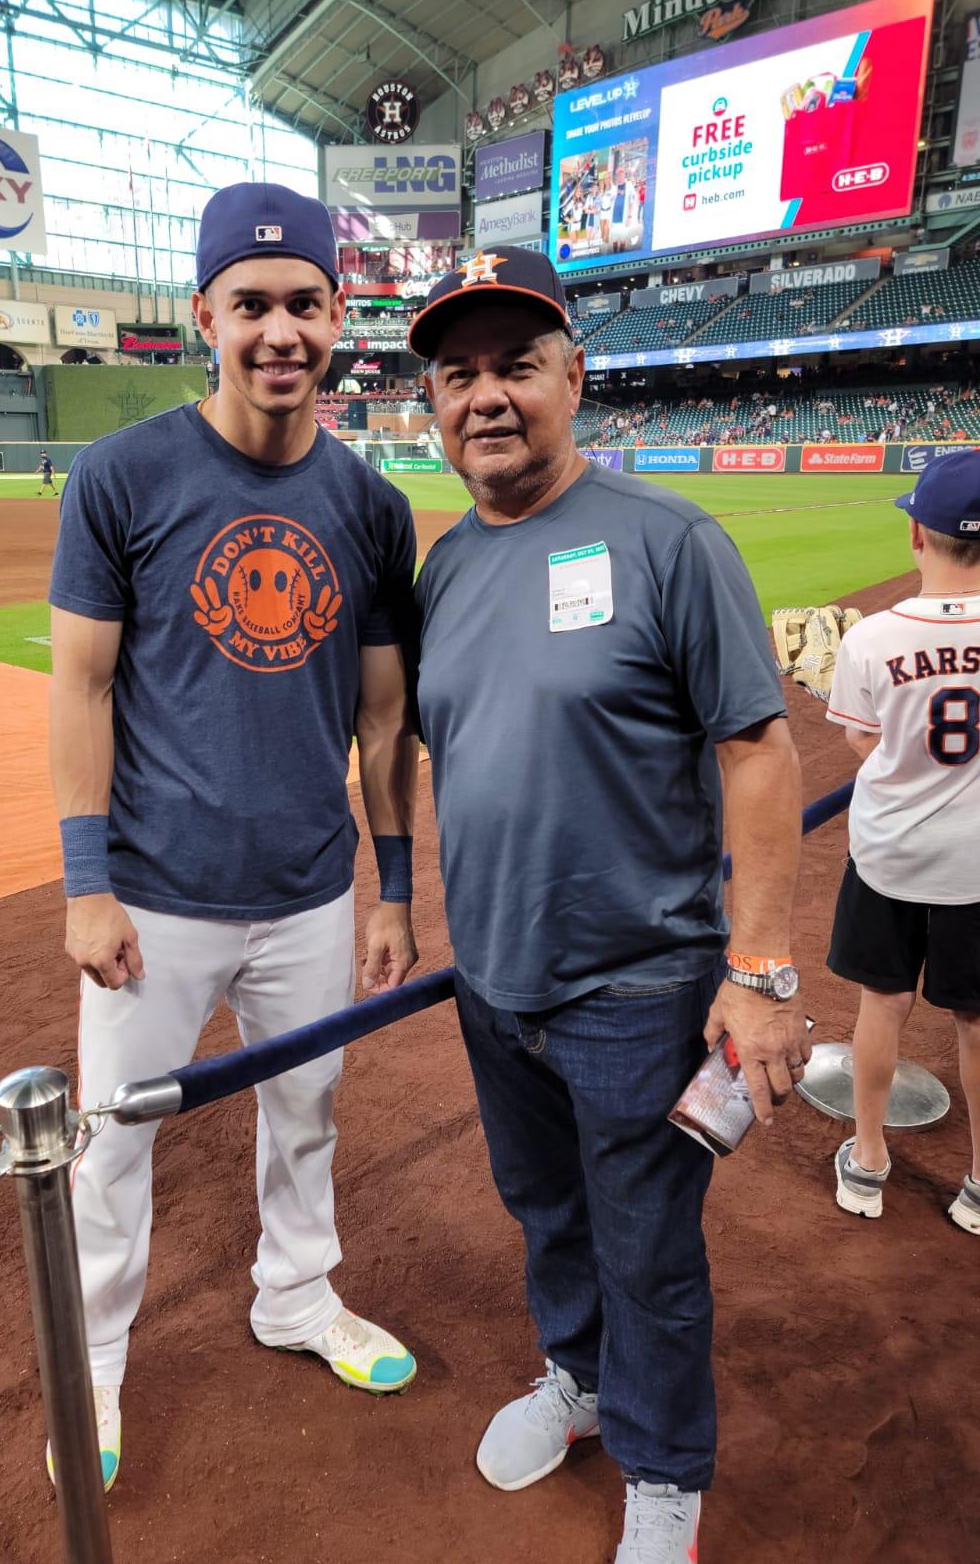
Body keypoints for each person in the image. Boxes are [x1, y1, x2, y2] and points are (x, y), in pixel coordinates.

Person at [407, 247, 808, 1562]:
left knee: (649, 1252)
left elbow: (759, 749)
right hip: (496, 979)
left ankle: (664, 1468)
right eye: (458, 374)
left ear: (574, 377)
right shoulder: (446, 571)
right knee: (548, 1214)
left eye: (516, 364)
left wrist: (761, 969)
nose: (488, 396)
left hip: (639, 986)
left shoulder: (668, 541)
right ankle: (578, 1384)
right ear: (432, 407)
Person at [47, 182, 422, 1492]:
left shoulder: (372, 507)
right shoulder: (121, 475)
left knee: (305, 1110)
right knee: (113, 1141)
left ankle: (297, 1297)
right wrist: (84, 886)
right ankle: (93, 1364)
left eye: (304, 303)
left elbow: (385, 717)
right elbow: (83, 686)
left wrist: (394, 887)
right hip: (153, 895)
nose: (279, 330)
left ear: (338, 319)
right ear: (205, 313)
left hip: (312, 890)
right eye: (251, 303)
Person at [825, 450, 980, 1235]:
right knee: (977, 1022)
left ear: (917, 536)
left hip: (889, 857)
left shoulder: (872, 638)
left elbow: (863, 745)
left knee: (881, 1006)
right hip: (979, 867)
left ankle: (871, 1163)